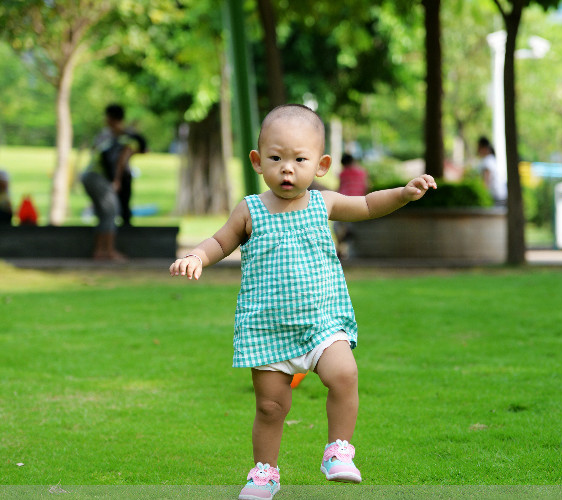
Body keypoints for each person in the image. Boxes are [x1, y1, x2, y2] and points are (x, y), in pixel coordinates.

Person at [169, 104, 436, 500]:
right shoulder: (250, 210)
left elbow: (365, 206)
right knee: (271, 408)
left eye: (299, 159)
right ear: (258, 162)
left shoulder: (323, 203)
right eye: (276, 158)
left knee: (344, 374)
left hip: (322, 323)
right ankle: (265, 474)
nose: (287, 169)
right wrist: (196, 255)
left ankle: (338, 451)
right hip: (268, 329)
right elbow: (221, 242)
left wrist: (403, 194)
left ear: (321, 165)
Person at [81, 104, 145, 260]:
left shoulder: (107, 136)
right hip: (98, 177)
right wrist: (116, 180)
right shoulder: (126, 139)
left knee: (104, 214)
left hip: (88, 175)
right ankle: (108, 252)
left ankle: (99, 251)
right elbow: (120, 161)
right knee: (111, 211)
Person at [334, 153, 369, 258]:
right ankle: (344, 246)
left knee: (338, 225)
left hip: (344, 201)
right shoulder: (362, 172)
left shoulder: (343, 173)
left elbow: (340, 188)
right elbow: (366, 187)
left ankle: (341, 247)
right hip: (358, 202)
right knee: (348, 225)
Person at [477, 136, 506, 206]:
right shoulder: (492, 159)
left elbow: (486, 182)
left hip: (496, 197)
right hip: (501, 195)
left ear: (484, 148)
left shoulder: (487, 161)